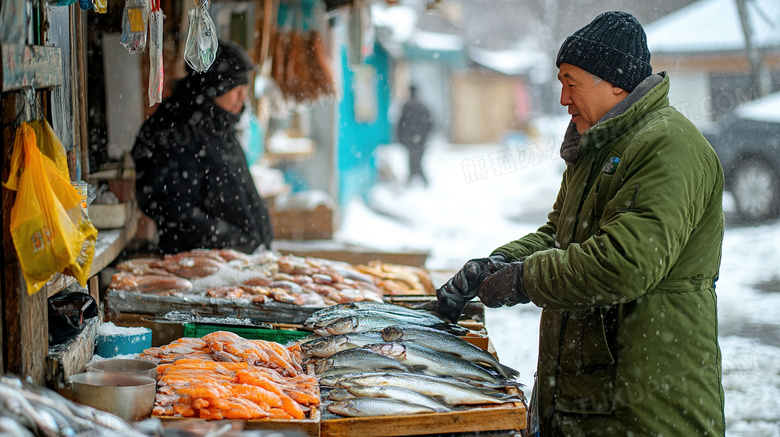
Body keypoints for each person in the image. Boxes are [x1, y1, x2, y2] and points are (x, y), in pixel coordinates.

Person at [436, 11, 725, 436]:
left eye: (571, 83)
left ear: (615, 81)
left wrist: (524, 279)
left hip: (644, 406)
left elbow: (626, 262)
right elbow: (559, 234)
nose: (563, 100)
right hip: (586, 400)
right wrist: (498, 263)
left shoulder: (667, 145)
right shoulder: (598, 146)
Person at [132, 40, 273, 254]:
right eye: (236, 89)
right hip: (201, 265)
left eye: (245, 89)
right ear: (216, 86)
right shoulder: (178, 129)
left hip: (237, 260)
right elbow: (173, 208)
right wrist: (229, 239)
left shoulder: (218, 122)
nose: (243, 98)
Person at [396, 85, 433, 186]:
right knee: (417, 159)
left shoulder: (407, 105)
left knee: (413, 159)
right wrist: (424, 135)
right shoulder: (422, 105)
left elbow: (401, 123)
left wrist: (401, 136)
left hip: (410, 138)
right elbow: (430, 123)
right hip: (420, 138)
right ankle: (418, 179)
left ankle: (415, 179)